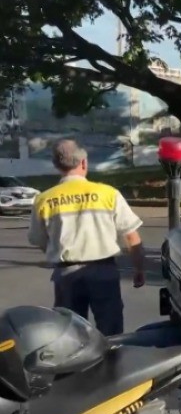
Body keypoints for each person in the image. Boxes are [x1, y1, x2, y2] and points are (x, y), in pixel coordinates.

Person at [27, 139, 145, 336]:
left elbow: (38, 239)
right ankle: (112, 364)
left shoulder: (44, 199)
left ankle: (77, 367)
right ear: (84, 163)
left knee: (70, 334)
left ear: (57, 166)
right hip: (104, 272)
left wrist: (55, 250)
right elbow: (132, 238)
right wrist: (139, 269)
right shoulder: (108, 194)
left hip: (66, 276)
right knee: (111, 332)